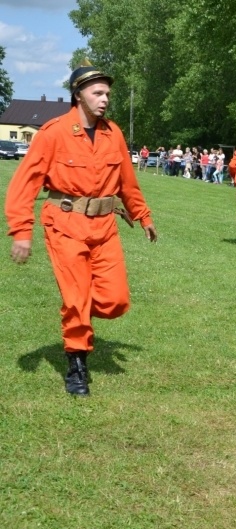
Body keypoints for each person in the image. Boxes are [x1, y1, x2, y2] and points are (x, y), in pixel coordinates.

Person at [4, 59, 158, 396]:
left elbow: (128, 183)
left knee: (115, 301)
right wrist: (22, 231)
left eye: (107, 94)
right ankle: (76, 364)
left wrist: (143, 215)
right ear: (79, 96)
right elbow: (25, 184)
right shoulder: (54, 132)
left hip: (104, 227)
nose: (105, 99)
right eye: (97, 93)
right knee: (75, 299)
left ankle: (82, 312)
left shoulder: (113, 133)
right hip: (64, 224)